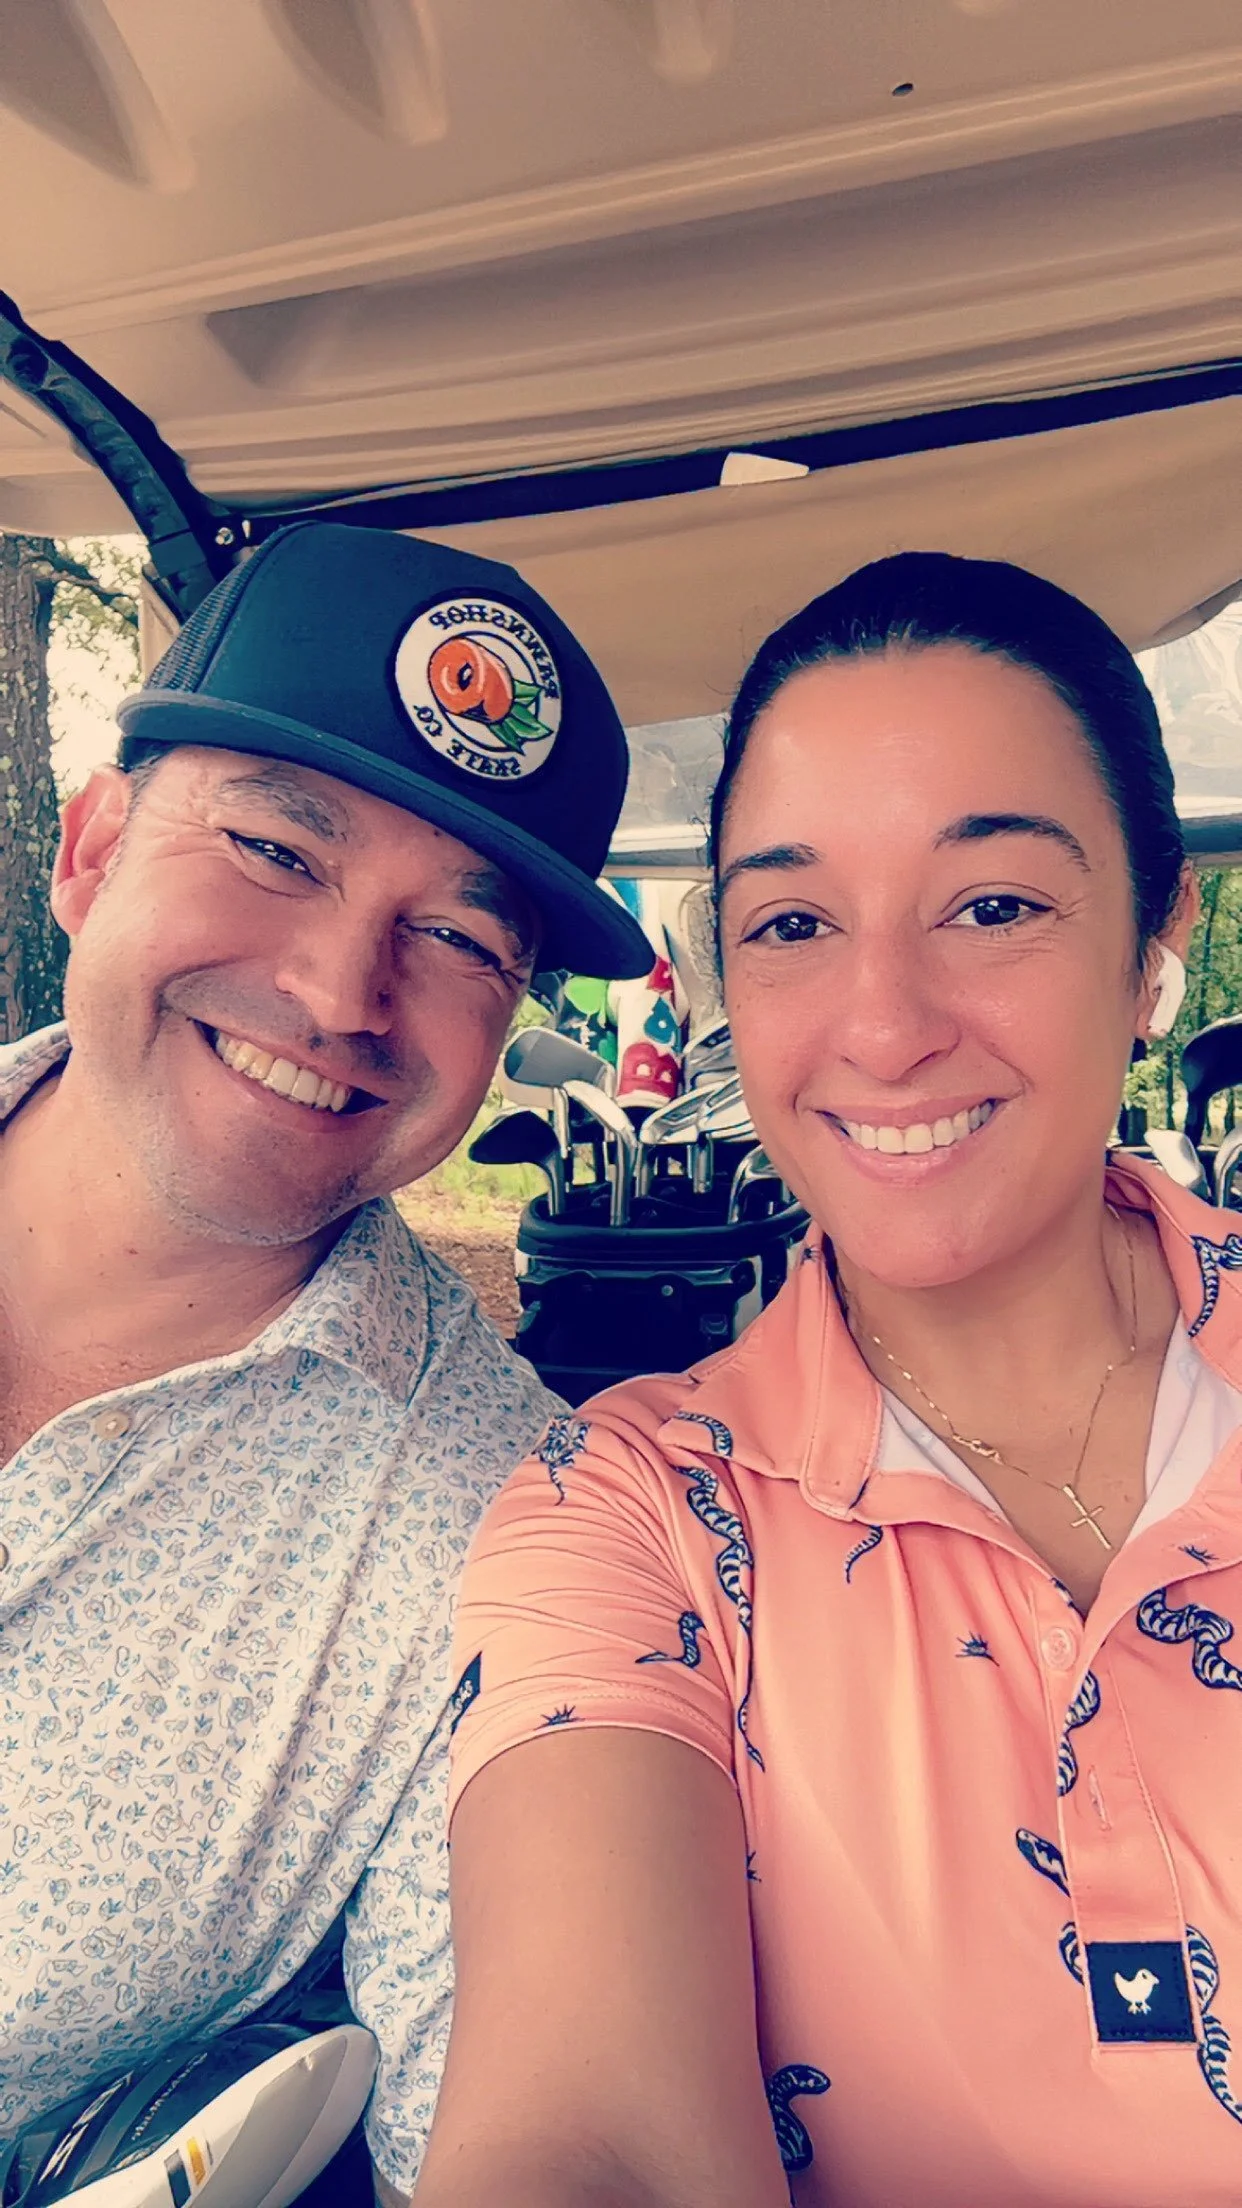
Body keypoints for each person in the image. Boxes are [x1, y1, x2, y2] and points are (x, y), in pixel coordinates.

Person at [416, 553, 1242, 2208]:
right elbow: (590, 2139)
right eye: (793, 923)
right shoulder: (632, 1513)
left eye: (992, 904)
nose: (880, 1025)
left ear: (1160, 935)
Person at [0, 520, 650, 2204]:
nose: (338, 992)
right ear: (90, 849)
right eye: (280, 853)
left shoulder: (501, 1529)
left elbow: (525, 2127)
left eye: (458, 940)